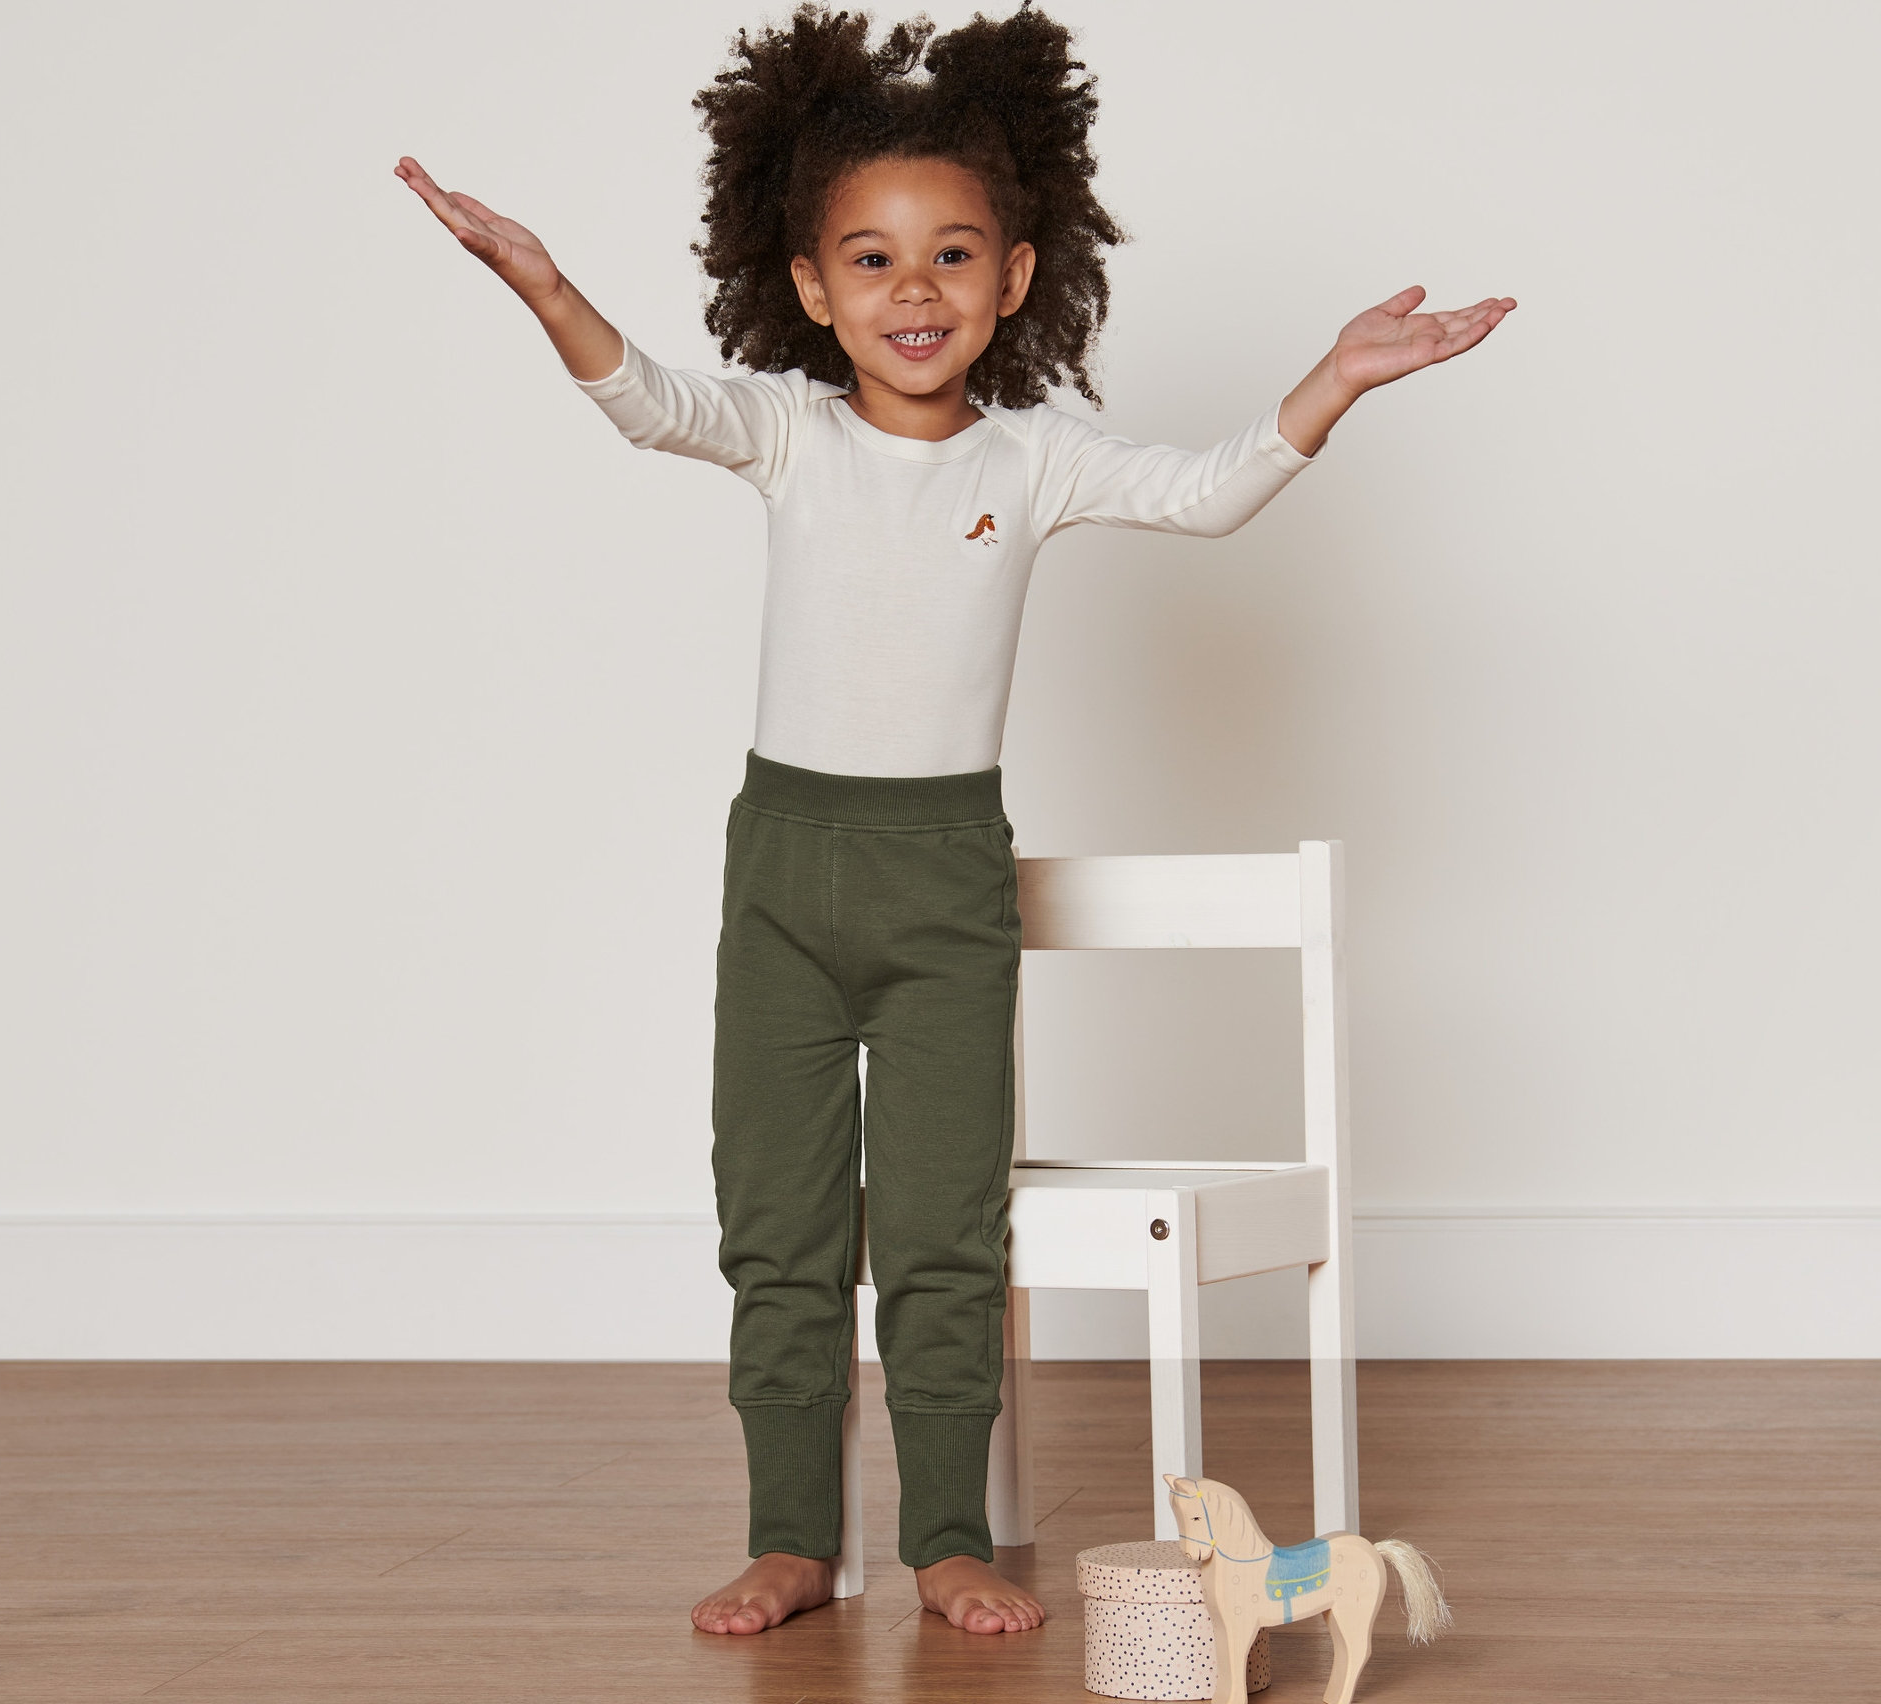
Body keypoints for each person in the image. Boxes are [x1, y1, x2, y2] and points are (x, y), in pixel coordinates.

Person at [396, 0, 1513, 1642]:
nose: (911, 292)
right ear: (805, 286)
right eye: (869, 259)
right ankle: (791, 1534)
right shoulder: (786, 431)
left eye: (950, 258)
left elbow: (1204, 494)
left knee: (939, 1235)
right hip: (781, 875)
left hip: (943, 888)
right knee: (775, 1229)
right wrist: (547, 284)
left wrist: (1330, 381)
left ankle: (940, 1537)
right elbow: (646, 402)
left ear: (1013, 277)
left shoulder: (1036, 453)